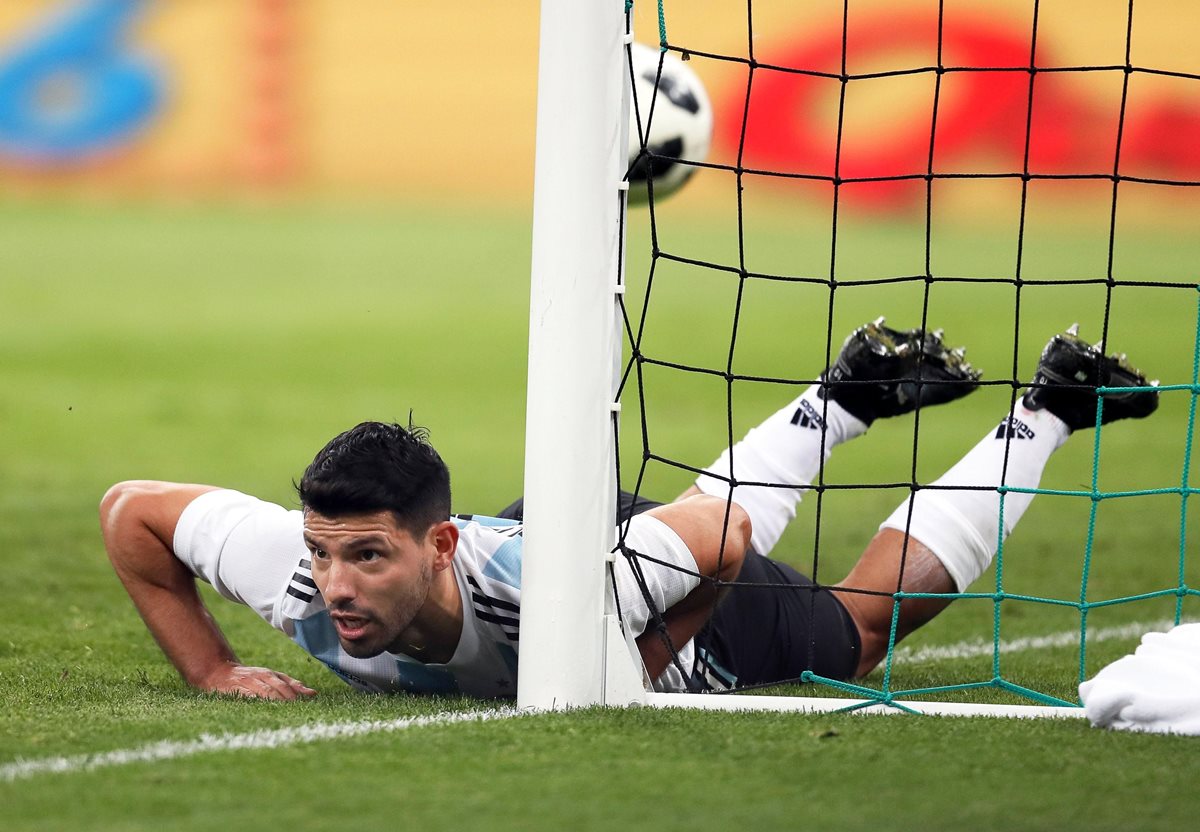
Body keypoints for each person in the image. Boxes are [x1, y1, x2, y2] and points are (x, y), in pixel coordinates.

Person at [99, 320, 1158, 700]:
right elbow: (130, 511)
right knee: (659, 545)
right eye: (329, 554)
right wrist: (214, 666)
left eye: (366, 556)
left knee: (855, 631)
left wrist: (653, 656)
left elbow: (722, 535)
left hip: (599, 584)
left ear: (437, 545)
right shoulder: (298, 575)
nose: (337, 585)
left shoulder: (551, 597)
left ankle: (1050, 406)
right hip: (579, 536)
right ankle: (845, 397)